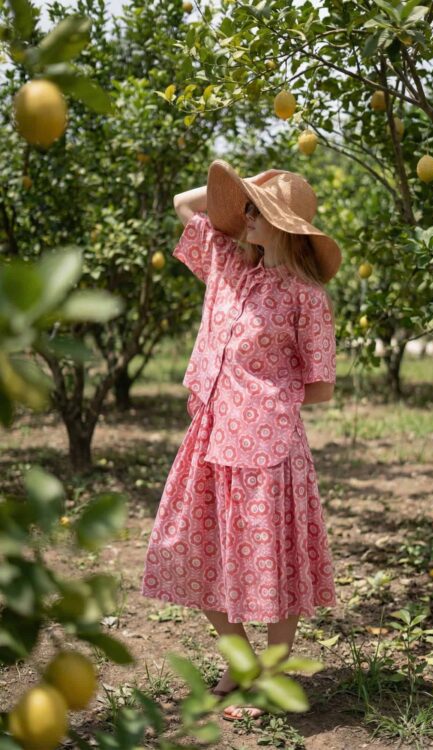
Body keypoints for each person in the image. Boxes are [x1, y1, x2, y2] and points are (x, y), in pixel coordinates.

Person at [140, 159, 342, 721]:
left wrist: (263, 402)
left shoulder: (306, 297)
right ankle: (242, 660)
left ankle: (271, 680)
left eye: (258, 211)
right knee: (191, 545)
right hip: (208, 430)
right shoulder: (226, 262)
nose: (245, 217)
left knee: (273, 565)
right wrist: (238, 192)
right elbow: (186, 202)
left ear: (283, 224)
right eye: (246, 208)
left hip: (268, 441)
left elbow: (319, 388)